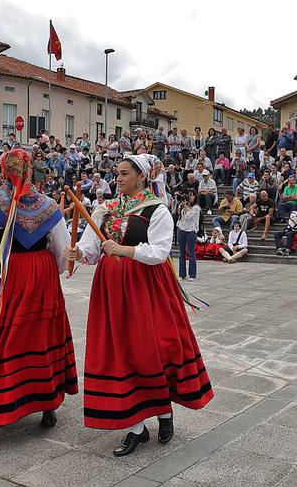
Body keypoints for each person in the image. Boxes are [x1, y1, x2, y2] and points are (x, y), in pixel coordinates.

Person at [64, 154, 214, 457]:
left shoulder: (156, 210)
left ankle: (165, 413)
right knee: (122, 352)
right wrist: (78, 254)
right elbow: (94, 251)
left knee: (153, 349)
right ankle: (136, 428)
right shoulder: (106, 209)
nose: (117, 178)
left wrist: (123, 249)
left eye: (123, 174)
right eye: (116, 173)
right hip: (111, 289)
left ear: (142, 177)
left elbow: (159, 252)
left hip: (147, 288)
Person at [0, 150, 76, 442]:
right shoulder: (48, 206)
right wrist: (51, 269)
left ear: (3, 172)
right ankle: (46, 405)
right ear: (31, 170)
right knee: (38, 335)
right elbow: (59, 250)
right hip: (37, 275)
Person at [174, 189, 201, 281]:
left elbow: (189, 217)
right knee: (181, 253)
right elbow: (178, 215)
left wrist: (185, 206)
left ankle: (192, 275)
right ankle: (182, 274)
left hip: (191, 231)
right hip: (181, 229)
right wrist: (180, 206)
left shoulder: (196, 208)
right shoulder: (184, 206)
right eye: (189, 195)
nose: (190, 197)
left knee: (191, 253)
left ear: (195, 196)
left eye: (191, 195)